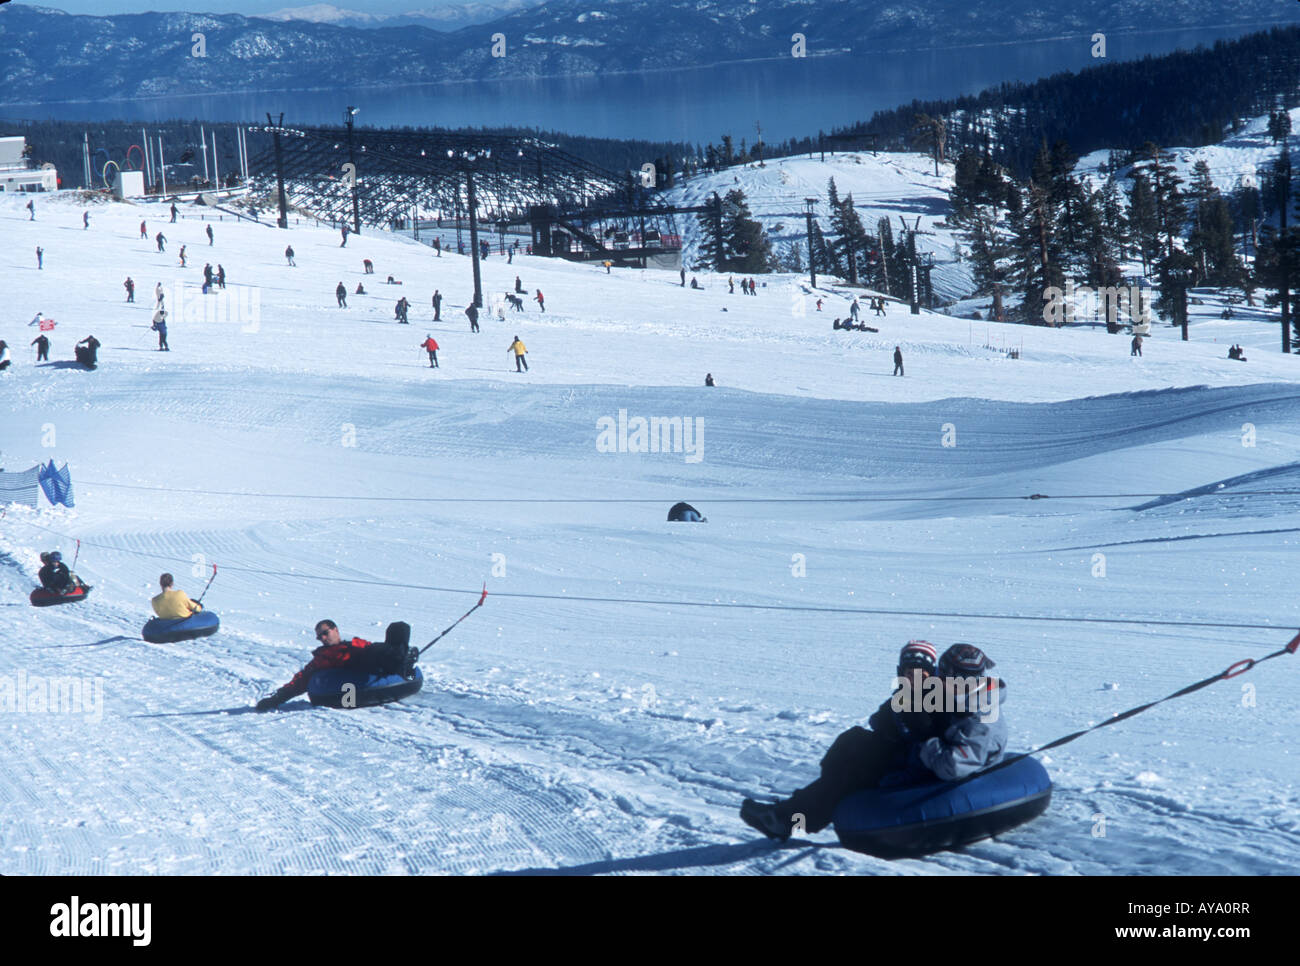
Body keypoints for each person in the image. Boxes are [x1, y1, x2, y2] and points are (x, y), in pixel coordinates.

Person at [740, 641, 944, 839]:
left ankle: (786, 820)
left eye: (920, 672)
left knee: (846, 777)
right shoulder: (905, 695)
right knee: (851, 740)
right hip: (898, 755)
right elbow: (879, 719)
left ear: (930, 673)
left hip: (912, 764)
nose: (914, 677)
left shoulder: (931, 698)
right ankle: (807, 800)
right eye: (909, 672)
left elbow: (922, 732)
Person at [254, 620, 416, 711]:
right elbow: (301, 681)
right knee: (370, 655)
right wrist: (276, 699)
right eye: (319, 637)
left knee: (394, 633)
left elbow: (372, 648)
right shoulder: (323, 657)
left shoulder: (355, 642)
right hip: (355, 669)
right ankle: (401, 661)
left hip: (372, 662)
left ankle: (403, 659)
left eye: (325, 633)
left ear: (335, 629)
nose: (323, 638)